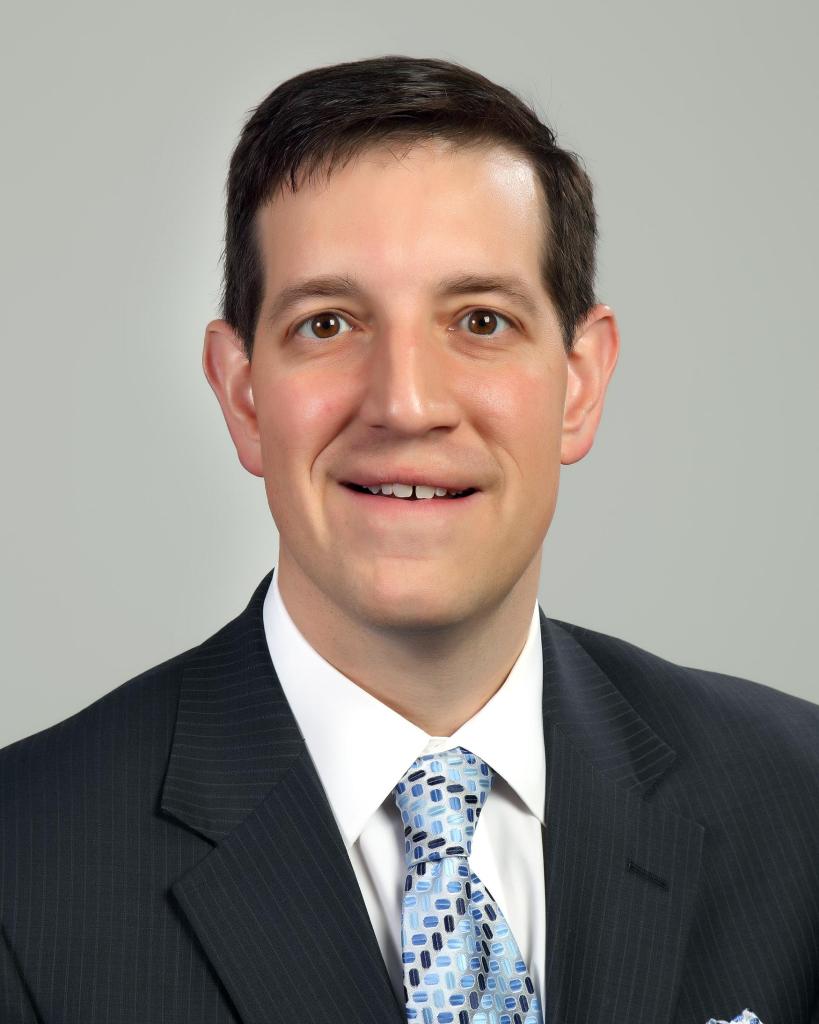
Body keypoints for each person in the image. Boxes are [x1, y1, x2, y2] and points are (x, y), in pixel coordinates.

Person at [1, 54, 817, 1024]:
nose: (406, 402)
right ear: (244, 394)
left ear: (580, 383)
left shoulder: (798, 800)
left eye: (480, 319)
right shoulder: (24, 865)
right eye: (328, 323)